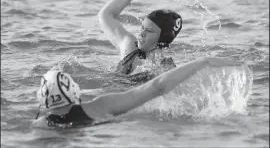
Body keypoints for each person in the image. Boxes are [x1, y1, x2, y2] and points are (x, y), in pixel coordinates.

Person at [32, 56, 246, 128]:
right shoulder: (98, 107)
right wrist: (203, 61)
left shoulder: (40, 124)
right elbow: (157, 87)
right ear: (74, 91)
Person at [98, 0, 182, 75]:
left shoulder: (166, 70)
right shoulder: (130, 47)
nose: (141, 34)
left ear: (162, 39)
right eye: (142, 27)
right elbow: (105, 15)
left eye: (149, 31)